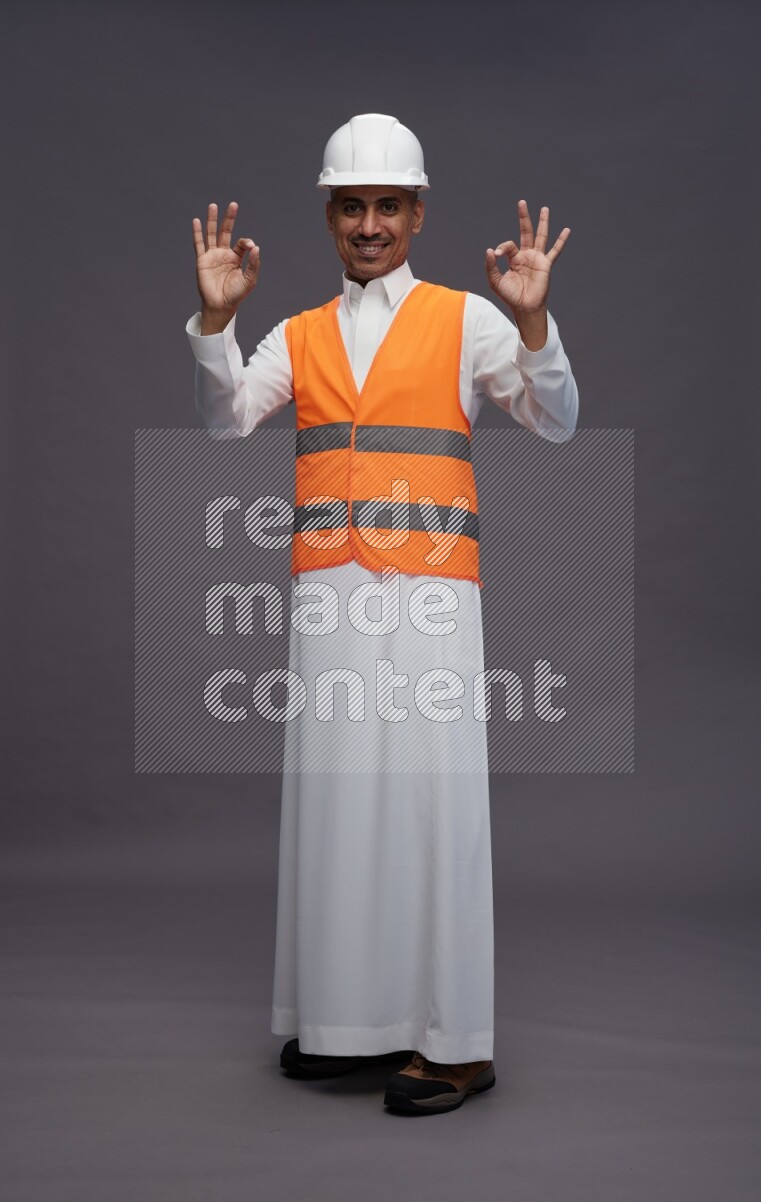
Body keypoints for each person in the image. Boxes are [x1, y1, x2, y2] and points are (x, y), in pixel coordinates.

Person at [186, 113, 578, 1116]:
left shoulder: (468, 318)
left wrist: (533, 323)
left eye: (387, 205)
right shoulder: (300, 333)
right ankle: (349, 1024)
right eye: (351, 205)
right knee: (339, 804)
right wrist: (215, 325)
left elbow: (555, 416)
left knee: (432, 801)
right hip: (329, 594)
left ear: (416, 212)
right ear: (330, 214)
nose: (369, 223)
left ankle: (455, 1045)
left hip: (432, 597)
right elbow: (225, 419)